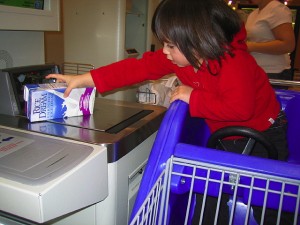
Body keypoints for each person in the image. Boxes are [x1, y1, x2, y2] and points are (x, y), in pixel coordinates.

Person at [46, 0, 289, 223]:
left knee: (268, 200)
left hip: (263, 135)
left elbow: (240, 109)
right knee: (210, 195)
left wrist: (192, 96)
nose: (164, 51)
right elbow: (136, 68)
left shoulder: (236, 63)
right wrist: (84, 80)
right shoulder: (179, 58)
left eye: (171, 44)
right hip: (226, 135)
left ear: (200, 41)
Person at [245, 0, 296, 89]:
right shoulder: (254, 13)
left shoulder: (277, 9)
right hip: (257, 69)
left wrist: (251, 46)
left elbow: (288, 45)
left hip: (273, 72)